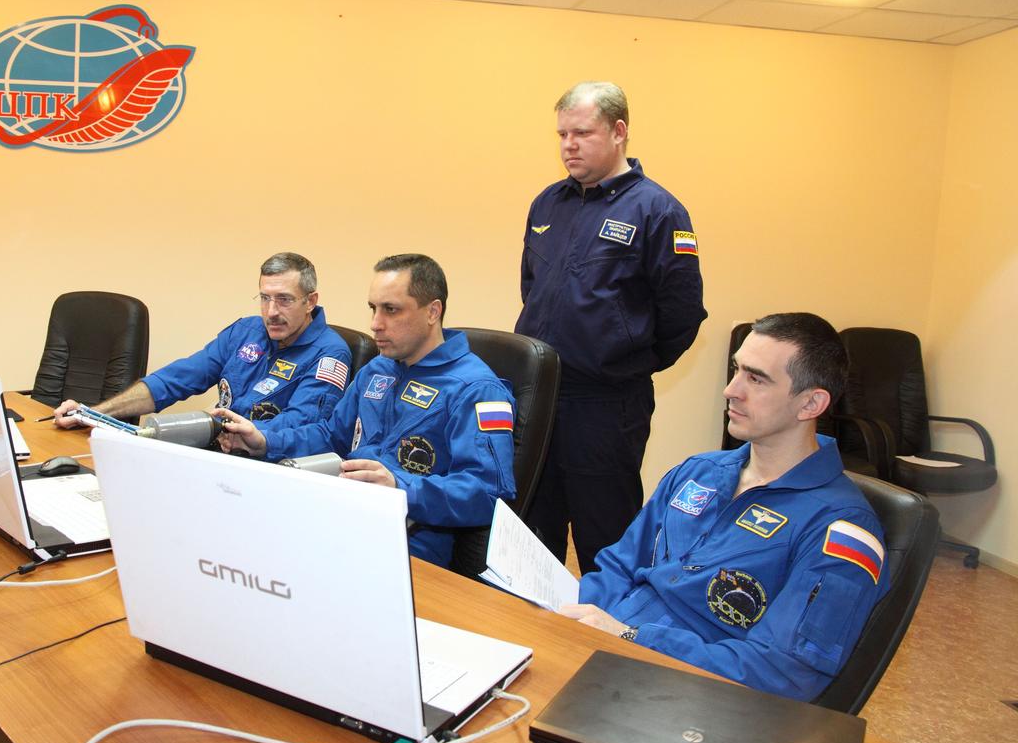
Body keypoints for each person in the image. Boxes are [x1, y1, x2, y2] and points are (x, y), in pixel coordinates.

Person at [559, 313, 890, 701]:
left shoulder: (841, 529)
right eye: (737, 370)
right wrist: (569, 619)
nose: (731, 390)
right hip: (605, 653)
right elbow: (618, 566)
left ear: (811, 403)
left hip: (688, 696)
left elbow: (784, 673)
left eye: (756, 379)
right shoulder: (698, 472)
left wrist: (632, 637)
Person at [216, 254, 516, 569]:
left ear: (432, 311)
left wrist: (400, 487)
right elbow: (331, 436)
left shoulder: (478, 389)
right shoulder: (378, 369)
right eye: (373, 308)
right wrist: (265, 441)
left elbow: (489, 495)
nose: (375, 324)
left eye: (391, 310)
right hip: (340, 519)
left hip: (406, 547)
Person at [516, 80, 708, 573]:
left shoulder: (658, 210)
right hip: (539, 399)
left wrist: (626, 359)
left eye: (582, 133)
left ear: (619, 131)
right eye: (562, 135)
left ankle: (605, 623)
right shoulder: (547, 203)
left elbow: (682, 312)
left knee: (605, 541)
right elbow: (532, 289)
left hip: (605, 406)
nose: (569, 146)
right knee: (530, 539)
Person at [53, 252, 350, 431]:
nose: (271, 312)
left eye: (284, 299)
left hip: (264, 467)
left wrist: (215, 427)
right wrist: (95, 413)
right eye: (264, 298)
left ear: (310, 301)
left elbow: (300, 425)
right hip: (217, 449)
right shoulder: (246, 331)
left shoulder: (330, 354)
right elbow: (177, 379)